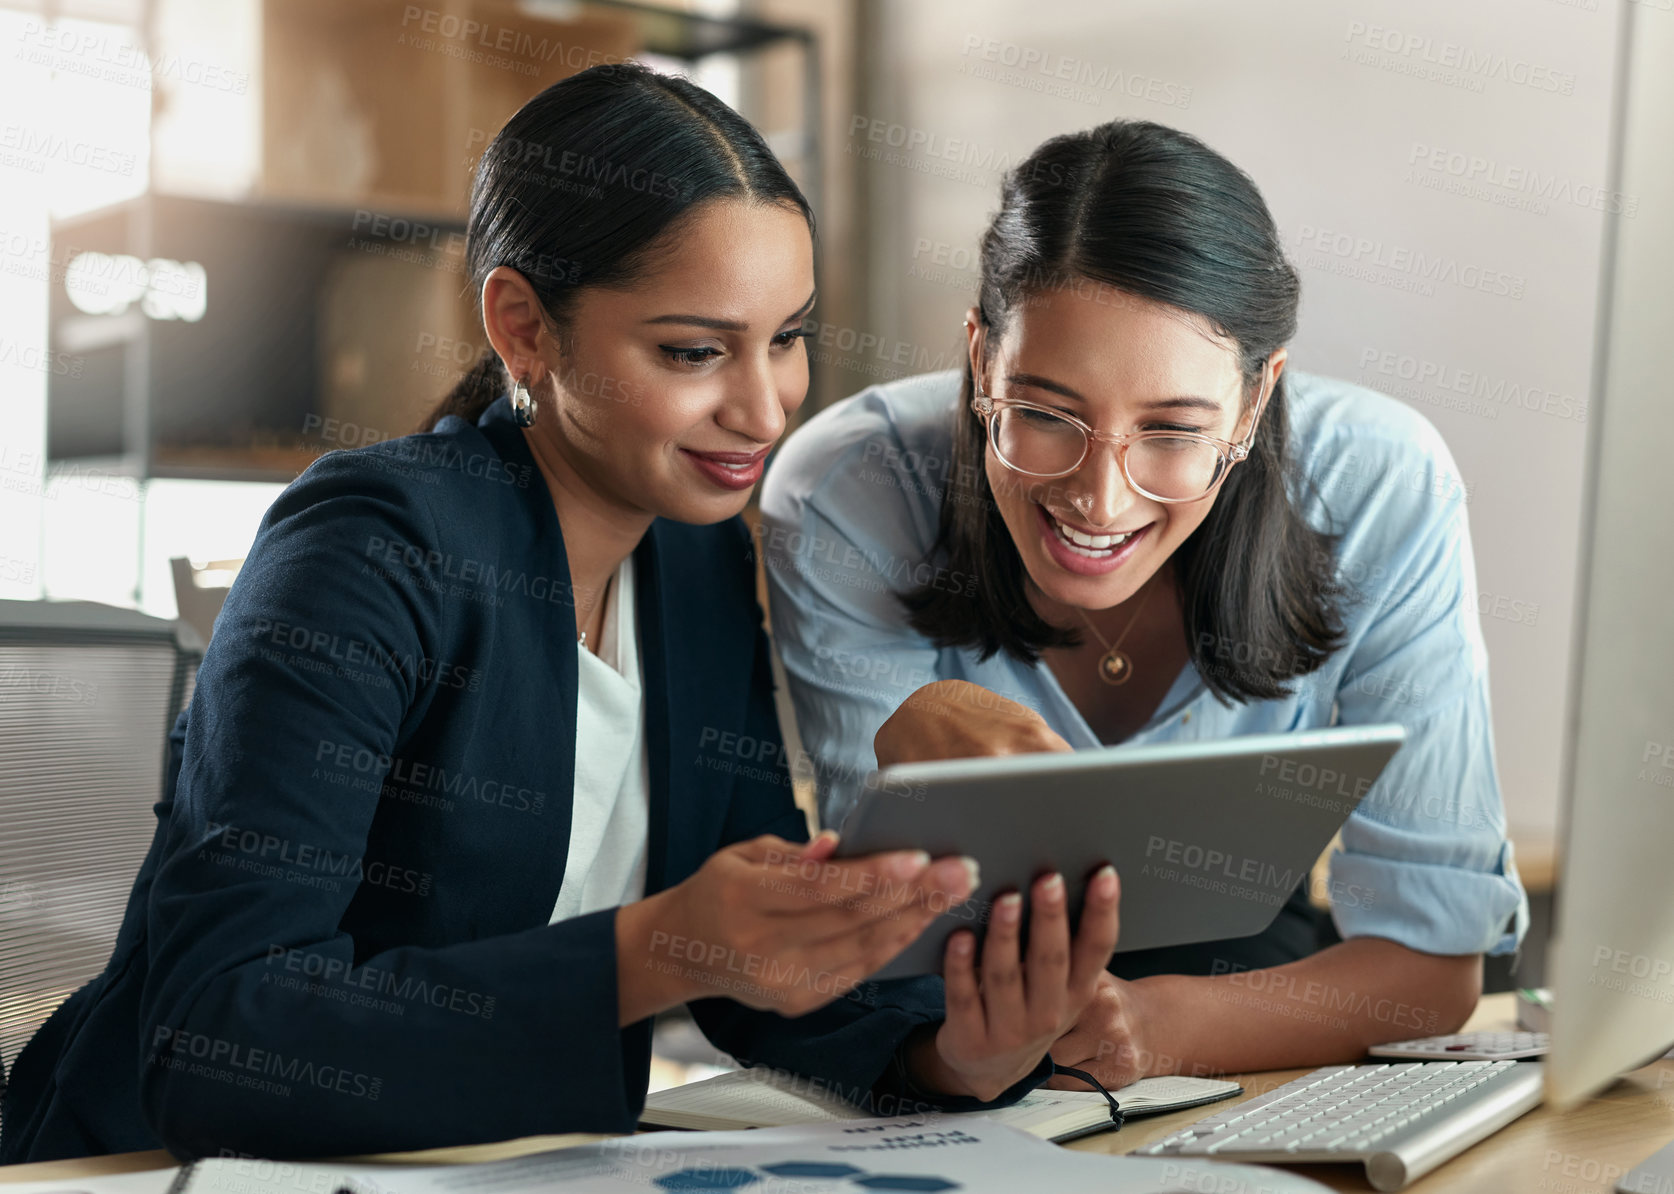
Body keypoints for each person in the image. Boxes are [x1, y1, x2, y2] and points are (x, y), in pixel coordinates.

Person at [0, 65, 1122, 1164]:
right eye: (693, 350)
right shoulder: (365, 551)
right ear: (524, 326)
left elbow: (751, 972)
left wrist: (956, 1058)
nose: (766, 405)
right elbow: (218, 1035)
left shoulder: (691, 558)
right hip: (144, 1170)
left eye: (787, 337)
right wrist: (651, 953)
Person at [759, 119, 1529, 1091]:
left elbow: (1428, 966)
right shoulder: (851, 487)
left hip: (1252, 999)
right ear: (977, 354)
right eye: (1043, 415)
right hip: (948, 1027)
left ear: (1254, 403)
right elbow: (884, 945)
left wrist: (1157, 1029)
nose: (1099, 499)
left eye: (1171, 433)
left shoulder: (1382, 483)